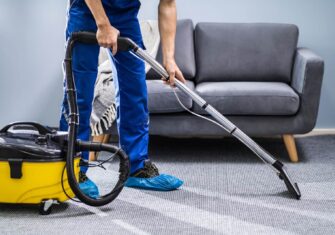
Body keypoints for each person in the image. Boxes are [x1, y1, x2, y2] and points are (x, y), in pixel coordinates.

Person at [60, 0, 185, 198]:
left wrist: (169, 58)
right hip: (87, 10)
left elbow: (168, 4)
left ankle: (136, 168)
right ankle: (72, 169)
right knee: (79, 92)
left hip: (125, 15)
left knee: (134, 90)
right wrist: (103, 24)